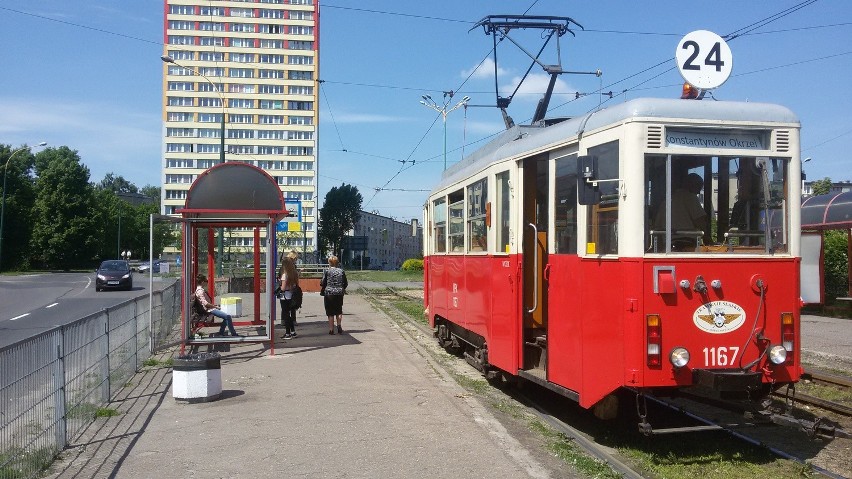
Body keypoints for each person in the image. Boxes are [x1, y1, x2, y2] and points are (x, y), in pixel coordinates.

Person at [653, 172, 707, 249]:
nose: (698, 192)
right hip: (687, 243)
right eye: (698, 187)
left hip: (668, 244)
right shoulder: (690, 197)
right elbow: (700, 221)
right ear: (691, 185)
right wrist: (708, 239)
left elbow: (657, 226)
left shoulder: (666, 201)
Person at [320, 255, 348, 335]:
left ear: (329, 263)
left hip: (329, 293)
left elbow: (322, 282)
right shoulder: (341, 271)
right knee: (339, 310)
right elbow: (345, 283)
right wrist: (341, 288)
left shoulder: (327, 271)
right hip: (339, 293)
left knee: (330, 312)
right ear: (337, 263)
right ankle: (339, 325)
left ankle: (331, 329)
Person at [278, 256, 299, 339]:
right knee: (289, 315)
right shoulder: (294, 274)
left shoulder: (284, 275)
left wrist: (279, 285)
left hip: (285, 297)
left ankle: (288, 333)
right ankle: (293, 332)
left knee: (286, 315)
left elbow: (283, 288)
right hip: (291, 296)